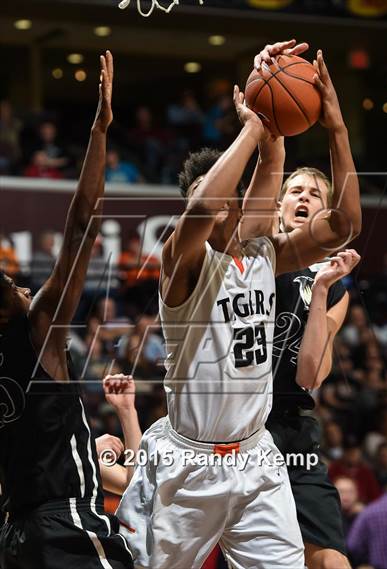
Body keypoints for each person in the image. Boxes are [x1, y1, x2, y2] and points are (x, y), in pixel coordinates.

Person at [116, 40, 361, 569]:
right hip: (187, 461)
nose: (222, 200)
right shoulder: (182, 261)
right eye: (213, 191)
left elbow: (343, 226)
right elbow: (204, 205)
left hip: (256, 457)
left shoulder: (265, 253)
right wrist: (252, 124)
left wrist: (332, 126)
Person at [0, 51, 134, 569]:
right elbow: (81, 227)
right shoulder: (37, 330)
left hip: (15, 535)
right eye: (11, 284)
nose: (21, 285)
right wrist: (100, 131)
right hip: (66, 525)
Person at [239, 46, 361, 569]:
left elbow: (312, 373)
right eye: (296, 190)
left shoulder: (332, 283)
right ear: (280, 200)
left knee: (328, 560)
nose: (305, 196)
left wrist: (318, 295)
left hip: (292, 425)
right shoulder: (260, 243)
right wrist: (263, 107)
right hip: (238, 421)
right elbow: (262, 184)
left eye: (316, 192)